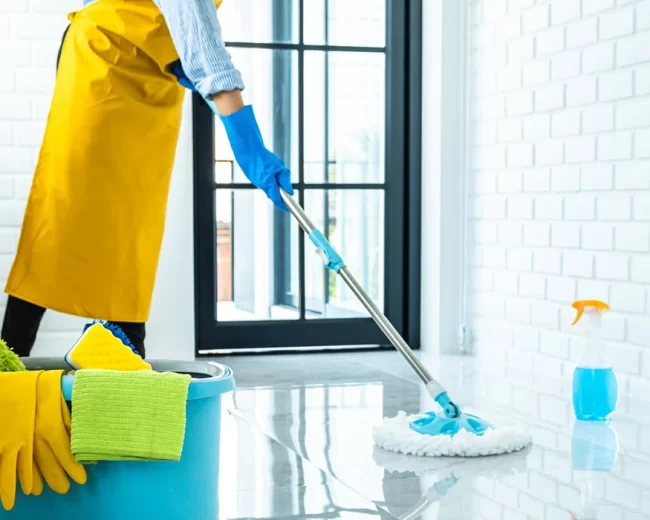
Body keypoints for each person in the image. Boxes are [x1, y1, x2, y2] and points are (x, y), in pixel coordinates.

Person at [1, 0, 294, 358]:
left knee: (130, 230)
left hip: (151, 76)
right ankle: (8, 367)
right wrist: (249, 146)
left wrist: (171, 54)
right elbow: (204, 43)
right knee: (62, 218)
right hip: (104, 63)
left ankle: (121, 368)